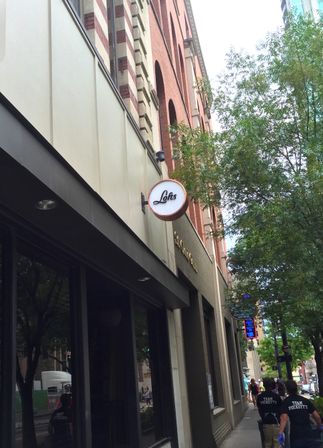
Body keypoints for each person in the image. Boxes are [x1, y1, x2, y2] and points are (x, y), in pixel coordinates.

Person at [278, 380, 323, 448]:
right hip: (309, 434)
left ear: (287, 389)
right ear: (296, 388)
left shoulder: (286, 402)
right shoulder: (305, 400)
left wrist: (281, 433)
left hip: (296, 436)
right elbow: (316, 416)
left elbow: (284, 418)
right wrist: (320, 426)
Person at [257, 378, 282, 448]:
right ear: (272, 386)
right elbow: (280, 408)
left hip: (266, 423)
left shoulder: (260, 397)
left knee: (267, 443)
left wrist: (263, 417)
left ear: (264, 386)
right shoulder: (276, 396)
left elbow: (259, 408)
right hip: (275, 422)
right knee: (277, 443)